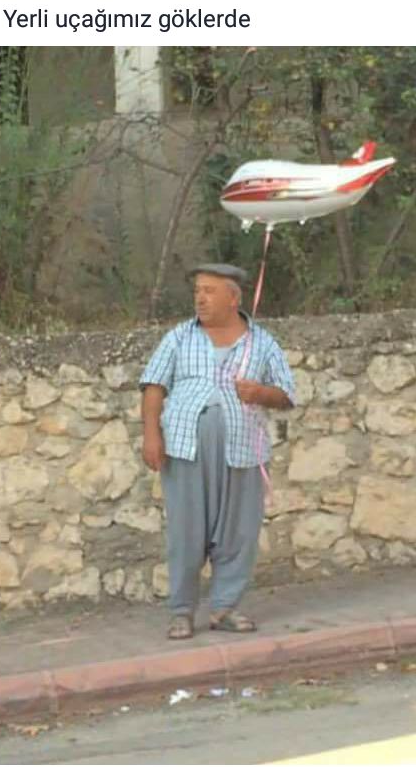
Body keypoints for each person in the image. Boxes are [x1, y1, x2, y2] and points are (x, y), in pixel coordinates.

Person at [140, 263, 295, 639]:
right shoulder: (179, 337)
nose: (200, 298)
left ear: (233, 298)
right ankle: (182, 611)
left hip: (243, 449)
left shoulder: (262, 342)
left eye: (209, 291)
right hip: (185, 448)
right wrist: (151, 435)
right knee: (186, 531)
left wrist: (260, 393)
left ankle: (225, 607)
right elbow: (154, 386)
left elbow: (287, 395)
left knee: (238, 532)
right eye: (197, 291)